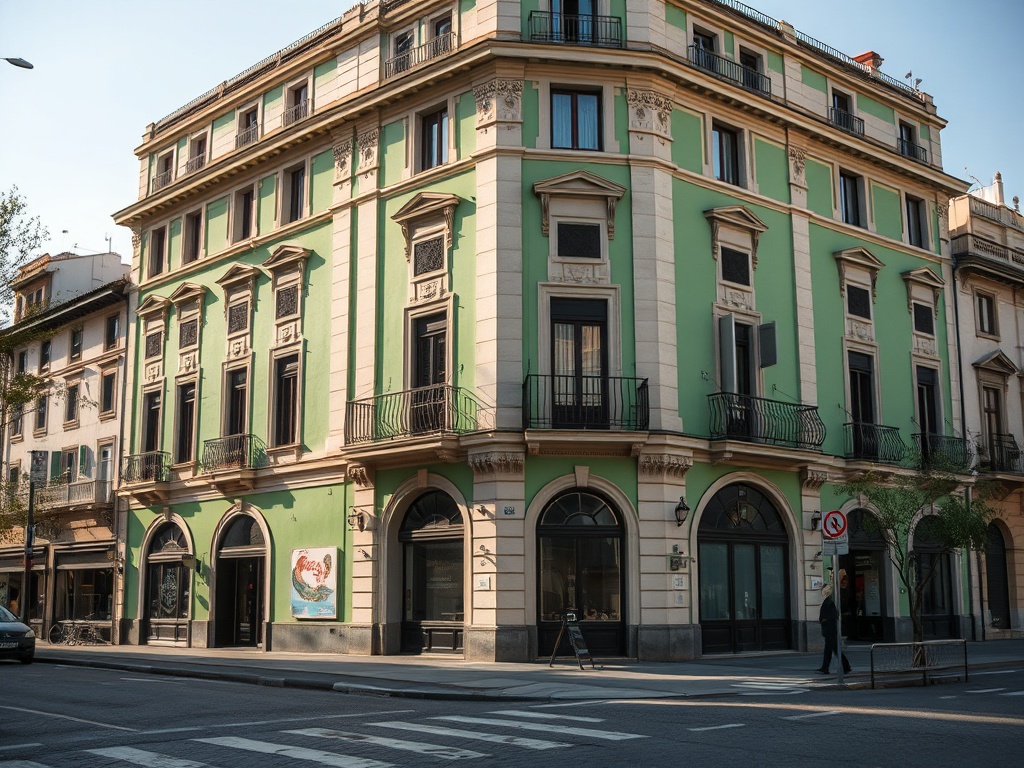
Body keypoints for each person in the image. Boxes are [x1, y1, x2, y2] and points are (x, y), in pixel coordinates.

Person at [817, 584, 851, 675]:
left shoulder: (829, 601)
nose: (821, 591)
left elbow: (834, 614)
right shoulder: (827, 601)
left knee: (832, 649)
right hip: (829, 630)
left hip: (830, 630)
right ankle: (827, 667)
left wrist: (825, 619)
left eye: (822, 590)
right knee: (832, 649)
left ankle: (844, 667)